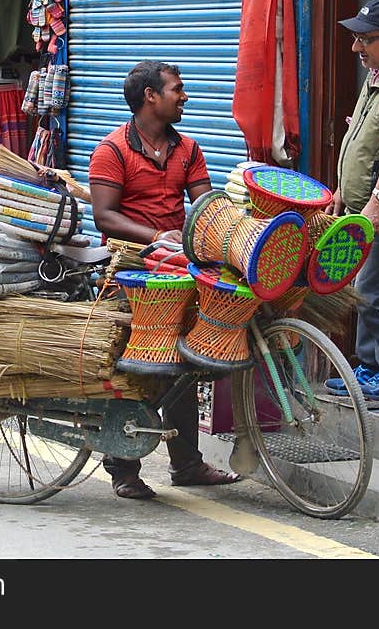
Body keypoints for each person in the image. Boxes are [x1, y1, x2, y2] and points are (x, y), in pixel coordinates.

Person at [88, 60, 241, 499]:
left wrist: (233, 229)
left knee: (185, 365)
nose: (185, 96)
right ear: (150, 97)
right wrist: (157, 236)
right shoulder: (112, 150)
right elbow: (105, 216)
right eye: (177, 88)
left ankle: (187, 464)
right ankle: (122, 466)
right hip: (131, 271)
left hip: (176, 270)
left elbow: (206, 203)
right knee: (140, 367)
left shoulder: (188, 149)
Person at [324, 0, 379, 403]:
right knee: (361, 288)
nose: (356, 49)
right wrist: (343, 189)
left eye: (365, 40)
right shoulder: (377, 77)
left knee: (377, 291)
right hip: (359, 204)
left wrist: (377, 200)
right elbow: (360, 138)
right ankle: (367, 366)